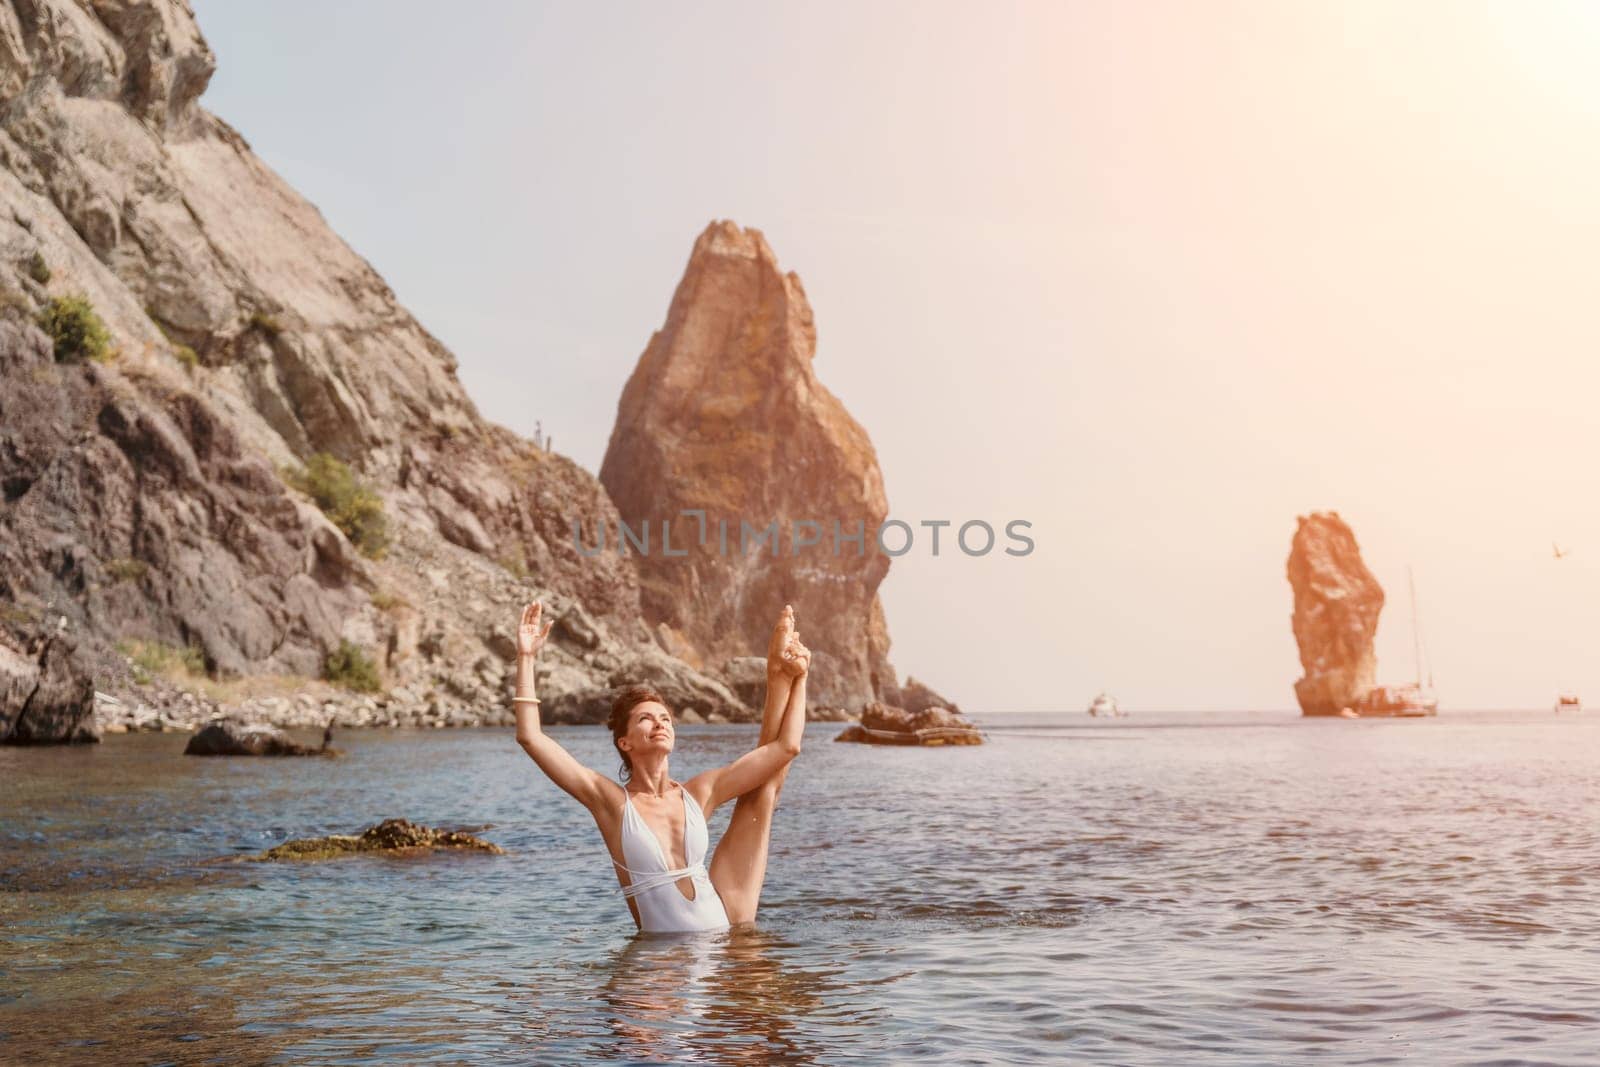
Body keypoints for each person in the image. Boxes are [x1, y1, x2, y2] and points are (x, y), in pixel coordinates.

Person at [512, 600, 809, 933]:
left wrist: (802, 680)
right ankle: (777, 672)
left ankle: (780, 674)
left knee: (763, 795)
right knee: (762, 796)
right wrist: (526, 658)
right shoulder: (611, 803)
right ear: (624, 742)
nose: (660, 723)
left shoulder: (699, 791)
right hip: (662, 968)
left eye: (665, 718)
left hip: (726, 936)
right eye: (645, 719)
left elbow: (786, 747)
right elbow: (531, 737)